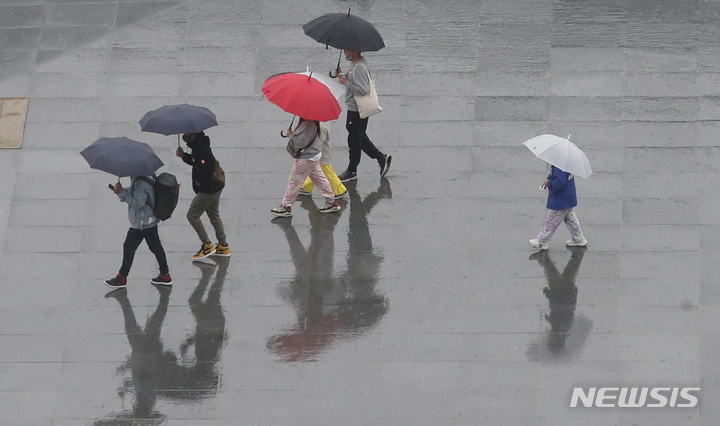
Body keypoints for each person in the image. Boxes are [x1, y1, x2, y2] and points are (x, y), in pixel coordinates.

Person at [105, 176, 172, 289]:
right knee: (156, 247)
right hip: (149, 220)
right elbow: (135, 192)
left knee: (129, 247)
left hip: (142, 223)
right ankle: (165, 275)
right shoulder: (143, 175)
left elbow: (137, 203)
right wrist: (122, 190)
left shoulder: (140, 181)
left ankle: (122, 277)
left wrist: (122, 193)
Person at [336, 49, 392, 182]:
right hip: (355, 108)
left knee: (354, 141)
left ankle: (352, 170)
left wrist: (346, 82)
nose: (344, 53)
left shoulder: (359, 67)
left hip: (356, 109)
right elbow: (356, 81)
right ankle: (380, 157)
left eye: (346, 50)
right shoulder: (358, 64)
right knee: (358, 136)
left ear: (353, 51)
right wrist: (343, 76)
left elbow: (362, 89)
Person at [271, 117, 341, 218]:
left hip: (305, 159)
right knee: (320, 179)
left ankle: (286, 207)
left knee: (294, 182)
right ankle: (332, 201)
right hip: (313, 156)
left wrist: (291, 135)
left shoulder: (307, 125)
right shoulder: (315, 122)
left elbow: (300, 143)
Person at [176, 131, 230, 260]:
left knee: (192, 216)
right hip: (216, 185)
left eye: (187, 134)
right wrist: (184, 156)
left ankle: (207, 245)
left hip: (208, 188)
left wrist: (200, 182)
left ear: (194, 135)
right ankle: (223, 246)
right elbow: (197, 162)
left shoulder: (201, 148)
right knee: (214, 215)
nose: (185, 136)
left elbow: (206, 167)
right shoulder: (198, 145)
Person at [529, 165, 588, 250]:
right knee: (571, 219)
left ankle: (542, 241)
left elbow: (560, 183)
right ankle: (578, 238)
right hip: (568, 199)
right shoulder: (566, 165)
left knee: (552, 221)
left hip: (560, 201)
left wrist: (548, 183)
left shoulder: (559, 167)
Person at [298, 121, 348, 199]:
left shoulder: (321, 127)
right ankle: (306, 188)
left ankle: (340, 190)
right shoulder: (321, 123)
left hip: (321, 155)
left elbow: (318, 142)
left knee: (328, 172)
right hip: (320, 153)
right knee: (314, 170)